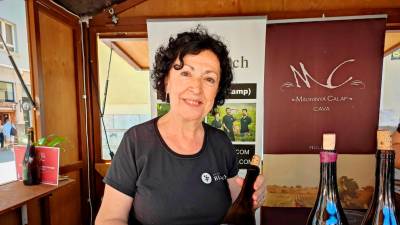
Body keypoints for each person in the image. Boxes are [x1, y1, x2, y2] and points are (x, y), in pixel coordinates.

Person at [96, 28, 266, 225]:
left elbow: (237, 205)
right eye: (186, 73)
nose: (196, 88)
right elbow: (110, 218)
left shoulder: (221, 143)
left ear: (217, 92)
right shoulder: (136, 141)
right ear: (166, 81)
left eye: (209, 78)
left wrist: (252, 196)